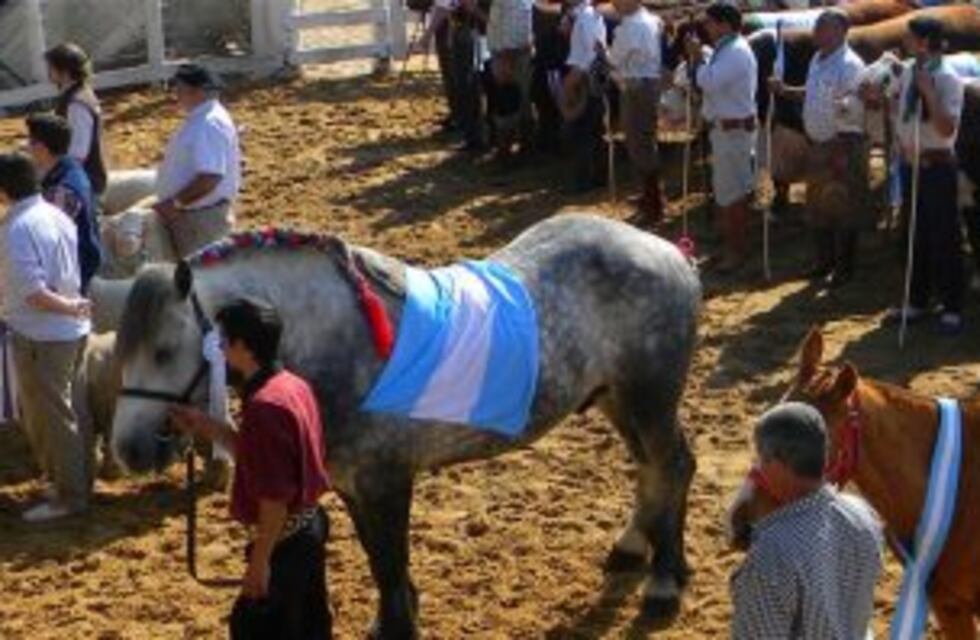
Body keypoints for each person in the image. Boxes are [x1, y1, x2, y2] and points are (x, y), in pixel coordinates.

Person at [169, 298, 332, 639]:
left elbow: (274, 501)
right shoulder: (291, 385)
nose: (222, 351)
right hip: (309, 529)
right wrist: (207, 426)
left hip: (284, 542)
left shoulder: (264, 407)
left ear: (243, 347)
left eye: (224, 342)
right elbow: (263, 454)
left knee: (252, 628)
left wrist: (260, 563)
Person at [732, 402, 883, 639]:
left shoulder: (771, 554)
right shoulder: (864, 516)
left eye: (760, 460)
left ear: (776, 466)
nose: (758, 467)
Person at [0, 152, 92, 523]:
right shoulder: (56, 215)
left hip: (43, 334)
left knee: (53, 416)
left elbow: (35, 293)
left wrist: (70, 308)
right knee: (67, 412)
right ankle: (73, 483)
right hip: (66, 331)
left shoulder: (16, 229)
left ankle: (70, 495)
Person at [770, 9, 868, 287]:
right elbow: (812, 91)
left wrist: (839, 150)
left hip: (841, 145)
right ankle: (824, 263)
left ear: (840, 31)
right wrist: (786, 90)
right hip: (818, 144)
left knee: (844, 207)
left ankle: (844, 269)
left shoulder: (850, 66)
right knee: (818, 207)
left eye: (822, 28)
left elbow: (853, 110)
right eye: (816, 27)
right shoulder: (818, 58)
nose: (816, 32)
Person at [884, 17, 966, 334]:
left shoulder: (947, 78)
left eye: (909, 37)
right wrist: (883, 101)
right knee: (914, 235)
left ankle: (952, 307)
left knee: (944, 237)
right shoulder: (907, 70)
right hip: (910, 164)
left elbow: (946, 128)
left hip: (937, 166)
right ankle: (917, 301)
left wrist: (928, 93)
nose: (904, 41)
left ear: (924, 41)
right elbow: (902, 114)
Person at [686, 2, 758, 272]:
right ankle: (733, 247)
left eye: (710, 22)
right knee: (729, 193)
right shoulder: (727, 49)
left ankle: (737, 252)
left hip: (733, 131)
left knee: (733, 195)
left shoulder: (736, 51)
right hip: (727, 130)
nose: (706, 26)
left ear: (724, 24)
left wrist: (697, 57)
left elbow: (709, 81)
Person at [152, 63, 241, 258]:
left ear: (197, 91)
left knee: (200, 279)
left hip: (200, 221)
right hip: (198, 217)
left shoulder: (207, 124)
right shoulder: (205, 118)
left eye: (179, 88)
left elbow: (210, 177)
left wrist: (175, 203)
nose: (176, 94)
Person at [25, 114, 103, 293]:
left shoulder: (63, 189)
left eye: (31, 142)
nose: (27, 148)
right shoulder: (67, 170)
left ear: (42, 148)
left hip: (72, 275)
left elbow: (44, 239)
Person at [603, 0, 665, 224]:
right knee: (643, 141)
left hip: (636, 86)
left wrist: (603, 52)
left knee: (639, 143)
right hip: (645, 83)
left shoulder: (631, 26)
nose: (616, 4)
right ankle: (649, 195)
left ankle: (652, 204)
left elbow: (615, 59)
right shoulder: (648, 19)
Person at [45, 43, 108, 197]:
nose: (48, 72)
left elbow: (78, 152)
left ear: (65, 72)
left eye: (52, 68)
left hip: (82, 184)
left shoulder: (76, 104)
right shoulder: (79, 95)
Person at [559, 0, 607, 192]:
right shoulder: (587, 14)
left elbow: (590, 54)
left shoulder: (585, 16)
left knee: (582, 132)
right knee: (593, 131)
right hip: (591, 77)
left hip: (584, 77)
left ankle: (583, 181)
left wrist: (573, 79)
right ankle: (597, 177)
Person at [486, 0, 535, 160]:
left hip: (509, 53)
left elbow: (517, 29)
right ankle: (513, 146)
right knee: (513, 99)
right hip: (504, 49)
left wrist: (506, 57)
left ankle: (509, 149)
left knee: (511, 100)